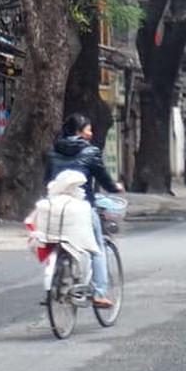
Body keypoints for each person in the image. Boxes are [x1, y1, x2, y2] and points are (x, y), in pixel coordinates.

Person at [45, 112, 125, 309]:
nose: (91, 133)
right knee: (96, 248)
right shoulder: (91, 152)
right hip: (82, 207)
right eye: (88, 129)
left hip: (55, 207)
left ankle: (60, 274)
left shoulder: (52, 152)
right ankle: (99, 293)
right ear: (80, 132)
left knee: (58, 242)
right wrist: (116, 187)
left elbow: (47, 181)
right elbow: (104, 179)